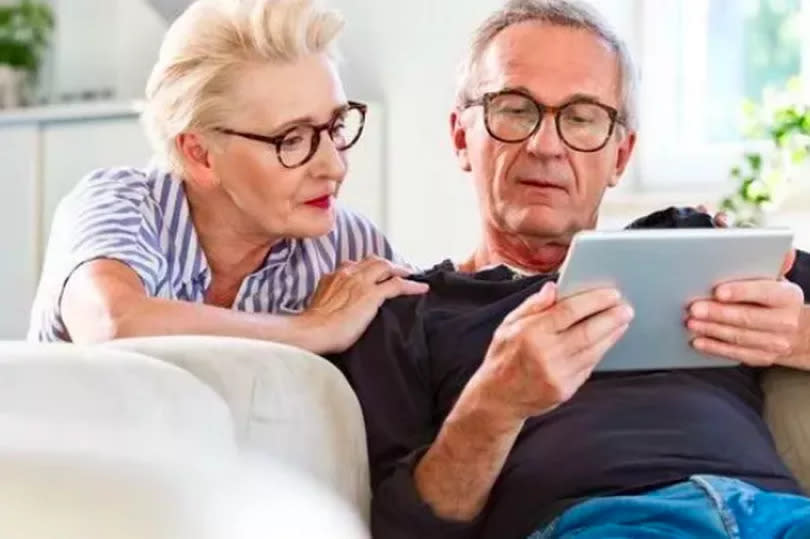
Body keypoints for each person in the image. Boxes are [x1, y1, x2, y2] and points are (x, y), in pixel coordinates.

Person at [333, 1, 810, 537]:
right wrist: (495, 402)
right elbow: (407, 527)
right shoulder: (406, 312)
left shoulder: (692, 240)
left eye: (581, 118)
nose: (544, 145)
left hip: (781, 513)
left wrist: (798, 336)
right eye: (515, 109)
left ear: (620, 156)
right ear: (462, 137)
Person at [27, 0, 426, 353]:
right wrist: (312, 329)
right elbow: (113, 325)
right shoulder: (118, 205)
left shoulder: (350, 247)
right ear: (199, 154)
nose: (335, 167)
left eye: (337, 126)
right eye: (291, 139)